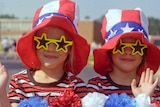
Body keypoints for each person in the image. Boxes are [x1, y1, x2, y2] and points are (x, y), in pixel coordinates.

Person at [0, 0, 90, 107]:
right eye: (44, 42)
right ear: (34, 45)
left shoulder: (76, 85)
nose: (51, 49)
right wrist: (1, 90)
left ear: (70, 48)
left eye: (60, 43)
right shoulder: (19, 81)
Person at [87, 8, 160, 104]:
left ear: (144, 52)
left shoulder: (154, 90)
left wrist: (145, 98)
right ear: (110, 50)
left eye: (136, 47)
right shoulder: (96, 87)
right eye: (121, 46)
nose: (128, 52)